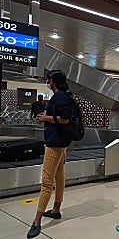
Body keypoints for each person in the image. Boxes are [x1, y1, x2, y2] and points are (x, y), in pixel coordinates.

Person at [27, 70, 73, 238]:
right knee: (59, 176)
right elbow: (62, 117)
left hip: (55, 143)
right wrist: (47, 115)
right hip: (62, 142)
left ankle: (37, 221)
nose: (48, 81)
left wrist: (46, 118)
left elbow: (65, 119)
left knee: (46, 182)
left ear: (52, 81)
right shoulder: (65, 96)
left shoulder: (59, 96)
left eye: (49, 79)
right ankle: (56, 209)